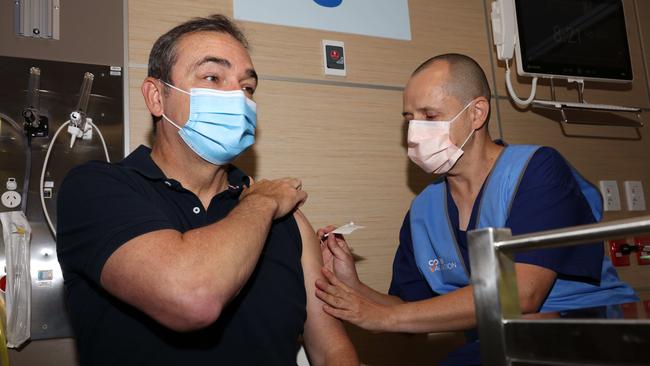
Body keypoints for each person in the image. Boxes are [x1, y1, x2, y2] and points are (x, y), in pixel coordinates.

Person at [56, 14, 358, 366]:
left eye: (247, 87)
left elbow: (333, 350)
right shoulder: (97, 189)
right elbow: (191, 297)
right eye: (213, 78)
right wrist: (261, 202)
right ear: (156, 97)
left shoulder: (288, 220)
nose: (238, 98)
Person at [315, 53, 638, 365]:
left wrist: (386, 317)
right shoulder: (423, 211)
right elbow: (413, 312)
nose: (415, 133)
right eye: (409, 119)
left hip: (588, 333)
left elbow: (524, 295)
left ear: (476, 113)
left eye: (430, 116)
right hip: (499, 344)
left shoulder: (534, 169)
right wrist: (352, 287)